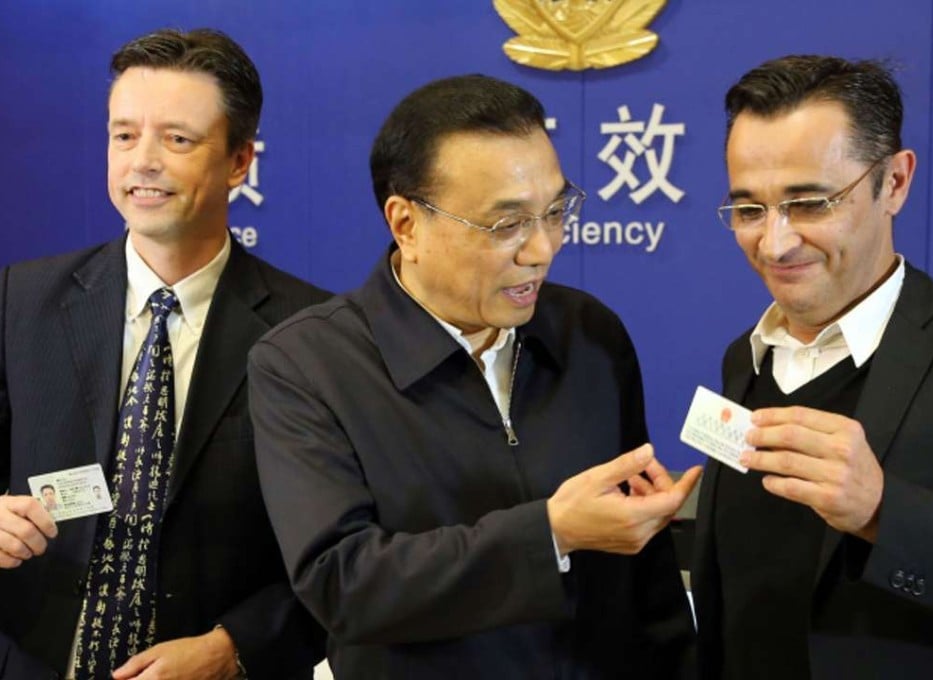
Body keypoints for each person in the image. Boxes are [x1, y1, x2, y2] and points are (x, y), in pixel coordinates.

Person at [250, 74, 701, 678]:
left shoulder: (590, 333)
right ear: (406, 224)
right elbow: (344, 581)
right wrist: (550, 535)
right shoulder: (307, 363)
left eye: (557, 211)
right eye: (507, 224)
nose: (542, 248)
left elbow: (648, 582)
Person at [0, 29, 328, 679]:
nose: (142, 161)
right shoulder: (20, 300)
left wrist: (232, 649)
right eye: (124, 135)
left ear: (239, 162)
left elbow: (340, 554)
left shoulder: (310, 333)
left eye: (176, 139)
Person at [692, 54, 933, 678]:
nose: (775, 242)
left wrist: (881, 511)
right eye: (749, 209)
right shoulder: (746, 357)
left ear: (894, 182)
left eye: (810, 203)